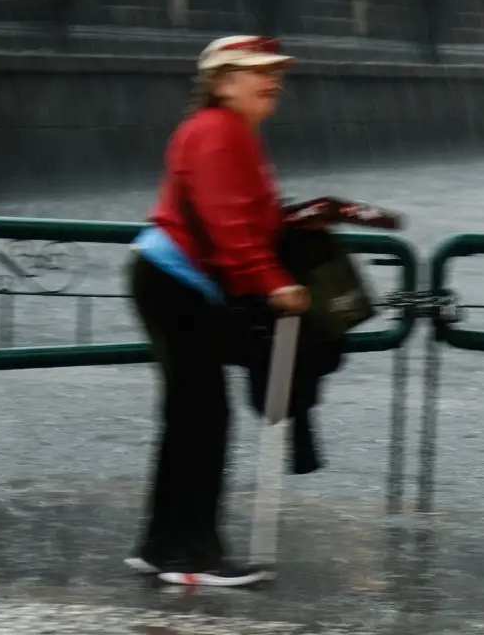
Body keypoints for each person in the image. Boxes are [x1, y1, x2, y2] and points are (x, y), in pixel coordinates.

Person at [124, 35, 309, 587]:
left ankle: (164, 546)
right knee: (202, 420)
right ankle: (191, 554)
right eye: (259, 71)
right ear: (222, 81)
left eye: (277, 72)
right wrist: (275, 284)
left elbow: (243, 217)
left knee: (189, 418)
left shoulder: (225, 132)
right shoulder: (218, 133)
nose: (272, 80)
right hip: (176, 282)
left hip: (171, 278)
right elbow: (226, 224)